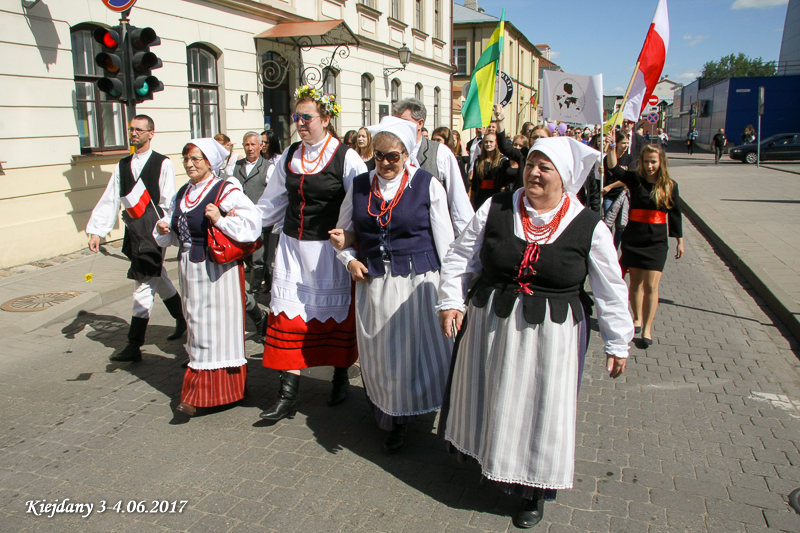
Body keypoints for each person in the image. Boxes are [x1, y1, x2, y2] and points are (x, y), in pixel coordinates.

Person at [437, 137, 633, 529]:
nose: (535, 172)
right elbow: (462, 256)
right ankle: (490, 460)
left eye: (546, 167)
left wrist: (618, 340)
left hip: (552, 334)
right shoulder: (497, 207)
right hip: (493, 323)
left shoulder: (587, 225)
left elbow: (611, 288)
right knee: (493, 396)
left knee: (541, 407)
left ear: (565, 178)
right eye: (531, 164)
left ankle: (534, 491)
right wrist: (451, 301)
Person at [329, 117, 456, 451]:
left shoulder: (427, 185)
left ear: (406, 155)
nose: (385, 162)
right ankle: (390, 413)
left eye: (393, 156)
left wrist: (453, 295)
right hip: (375, 285)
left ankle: (412, 417)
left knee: (414, 355)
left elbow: (447, 245)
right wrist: (350, 260)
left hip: (418, 285)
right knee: (382, 355)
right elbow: (341, 238)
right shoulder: (358, 186)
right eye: (379, 155)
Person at [255, 86, 368, 421]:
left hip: (329, 253)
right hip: (292, 248)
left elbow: (360, 203)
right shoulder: (290, 154)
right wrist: (241, 223)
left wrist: (349, 236)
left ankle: (339, 379)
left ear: (326, 119)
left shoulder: (345, 156)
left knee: (334, 319)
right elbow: (272, 200)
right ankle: (287, 395)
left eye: (307, 117)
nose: (300, 123)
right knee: (289, 319)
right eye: (297, 117)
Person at [154, 138, 262, 417]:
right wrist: (166, 228)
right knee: (196, 326)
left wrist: (220, 220)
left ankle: (198, 394)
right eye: (186, 158)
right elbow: (179, 237)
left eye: (195, 159)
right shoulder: (182, 193)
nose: (189, 164)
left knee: (218, 330)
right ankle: (223, 390)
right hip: (190, 269)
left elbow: (252, 224)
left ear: (210, 162)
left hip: (219, 272)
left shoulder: (225, 189)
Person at [86, 114, 186, 363]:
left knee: (143, 284)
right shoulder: (122, 165)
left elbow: (168, 201)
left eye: (139, 130)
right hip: (134, 232)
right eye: (131, 130)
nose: (134, 134)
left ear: (151, 133)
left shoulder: (163, 163)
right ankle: (182, 319)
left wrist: (165, 226)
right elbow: (111, 198)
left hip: (154, 232)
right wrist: (97, 230)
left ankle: (134, 344)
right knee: (156, 275)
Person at [606, 141, 684, 346]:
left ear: (661, 162)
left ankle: (647, 328)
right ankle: (637, 318)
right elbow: (614, 169)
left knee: (651, 285)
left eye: (653, 162)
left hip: (656, 240)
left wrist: (679, 240)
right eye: (646, 161)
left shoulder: (669, 185)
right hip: (634, 237)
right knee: (635, 284)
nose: (650, 166)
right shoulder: (635, 179)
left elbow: (675, 214)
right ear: (641, 162)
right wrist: (611, 149)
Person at [393, 98, 474, 235]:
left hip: (433, 236)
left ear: (420, 123)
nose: (400, 126)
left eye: (405, 121)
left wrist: (464, 241)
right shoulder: (389, 154)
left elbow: (458, 200)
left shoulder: (440, 153)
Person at [231, 132, 274, 334]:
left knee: (259, 260)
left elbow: (273, 193)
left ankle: (254, 293)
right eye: (246, 144)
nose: (249, 148)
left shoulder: (267, 167)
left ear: (260, 146)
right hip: (239, 221)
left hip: (259, 221)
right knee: (245, 259)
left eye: (253, 144)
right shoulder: (237, 166)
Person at [601, 131, 630, 250]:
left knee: (621, 225)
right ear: (617, 143)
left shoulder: (629, 158)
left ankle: (615, 248)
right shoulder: (608, 158)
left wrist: (611, 186)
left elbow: (627, 179)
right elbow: (608, 174)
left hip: (622, 196)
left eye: (627, 143)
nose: (626, 145)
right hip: (609, 196)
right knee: (608, 222)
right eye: (623, 143)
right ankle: (607, 247)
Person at [470, 133, 511, 209]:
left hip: (496, 197)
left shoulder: (502, 161)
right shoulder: (479, 161)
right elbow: (475, 184)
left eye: (491, 142)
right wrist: (472, 201)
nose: (488, 144)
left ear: (496, 143)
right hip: (481, 198)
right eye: (486, 142)